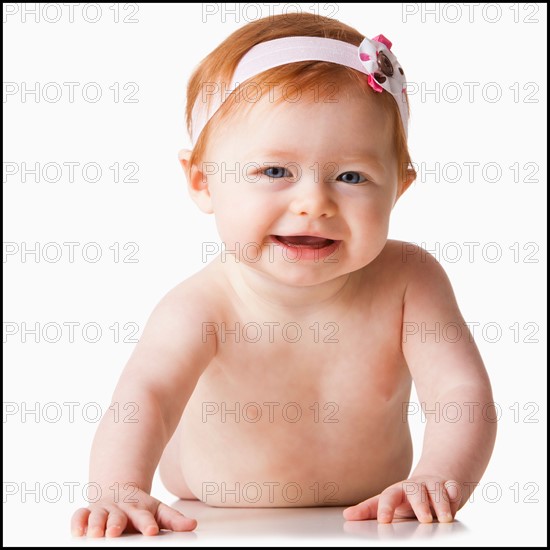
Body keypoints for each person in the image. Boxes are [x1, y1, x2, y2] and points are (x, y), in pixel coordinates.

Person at [71, 12, 496, 537]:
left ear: (397, 190)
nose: (314, 203)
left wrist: (437, 476)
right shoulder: (205, 304)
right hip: (213, 503)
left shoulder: (410, 280)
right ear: (204, 182)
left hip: (364, 518)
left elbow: (460, 392)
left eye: (351, 176)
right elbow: (147, 397)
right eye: (275, 171)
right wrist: (119, 489)